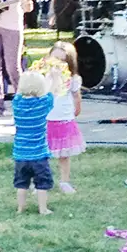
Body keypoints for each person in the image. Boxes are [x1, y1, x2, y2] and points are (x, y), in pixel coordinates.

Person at [12, 67, 55, 216]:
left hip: (20, 155)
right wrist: (51, 77)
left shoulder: (17, 104)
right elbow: (50, 95)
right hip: (39, 155)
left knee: (21, 184)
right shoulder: (43, 105)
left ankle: (20, 208)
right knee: (42, 184)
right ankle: (43, 209)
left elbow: (18, 94)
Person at [43, 41, 85, 194]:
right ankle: (42, 181)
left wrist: (76, 109)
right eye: (54, 59)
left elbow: (76, 95)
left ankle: (64, 181)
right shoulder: (43, 76)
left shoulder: (72, 78)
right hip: (45, 119)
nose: (57, 64)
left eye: (62, 61)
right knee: (43, 154)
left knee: (64, 153)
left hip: (63, 118)